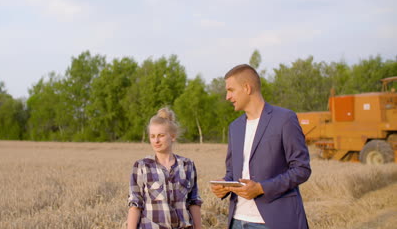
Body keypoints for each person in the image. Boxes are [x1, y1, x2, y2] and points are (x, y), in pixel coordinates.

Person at [210, 64, 311, 229]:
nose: (227, 97)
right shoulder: (234, 127)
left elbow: (302, 169)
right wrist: (225, 184)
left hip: (275, 221)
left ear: (247, 88)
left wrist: (261, 188)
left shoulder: (285, 119)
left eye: (231, 90)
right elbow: (232, 173)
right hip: (237, 221)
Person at [127, 107, 203, 229]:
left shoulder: (187, 165)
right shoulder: (141, 166)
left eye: (161, 135)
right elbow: (135, 204)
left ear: (172, 136)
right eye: (152, 136)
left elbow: (194, 202)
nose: (156, 140)